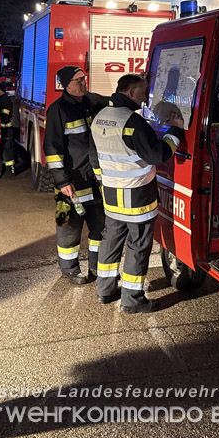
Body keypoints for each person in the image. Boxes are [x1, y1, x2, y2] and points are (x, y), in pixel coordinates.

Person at [91, 74, 184, 313]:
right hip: (137, 196)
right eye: (143, 93)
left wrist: (105, 181)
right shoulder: (132, 122)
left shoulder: (100, 117)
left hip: (111, 195)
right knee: (137, 245)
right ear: (130, 92)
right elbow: (157, 155)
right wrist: (175, 131)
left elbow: (95, 157)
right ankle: (132, 300)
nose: (145, 99)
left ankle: (105, 290)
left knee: (111, 241)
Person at [43, 65, 106, 285]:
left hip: (95, 180)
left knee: (100, 225)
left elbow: (115, 103)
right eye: (78, 80)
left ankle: (98, 267)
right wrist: (62, 181)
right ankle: (70, 269)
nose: (83, 83)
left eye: (84, 78)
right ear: (66, 85)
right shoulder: (57, 110)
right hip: (72, 181)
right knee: (68, 226)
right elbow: (51, 148)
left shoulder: (93, 101)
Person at [0, 83, 16, 177]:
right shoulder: (0, 100)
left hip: (6, 129)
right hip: (1, 129)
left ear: (1, 89)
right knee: (3, 149)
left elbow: (5, 116)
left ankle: (10, 171)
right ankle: (5, 168)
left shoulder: (5, 101)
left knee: (7, 149)